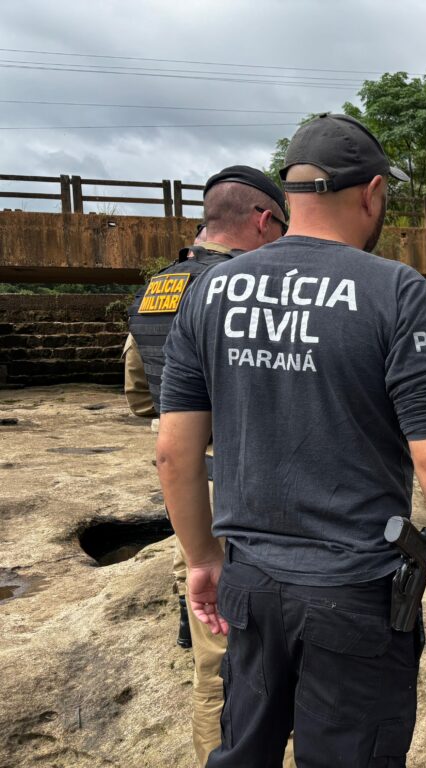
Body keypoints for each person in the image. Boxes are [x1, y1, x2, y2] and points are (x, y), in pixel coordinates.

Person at [157, 113, 426, 766]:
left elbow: (174, 451)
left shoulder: (209, 291)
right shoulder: (396, 291)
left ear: (291, 193)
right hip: (357, 595)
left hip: (249, 586)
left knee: (242, 752)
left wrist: (201, 558)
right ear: (370, 193)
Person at [124, 165, 288, 766]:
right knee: (227, 655)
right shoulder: (247, 287)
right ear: (264, 220)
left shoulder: (156, 288)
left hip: (189, 485)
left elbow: (141, 396)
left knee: (210, 640)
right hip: (246, 486)